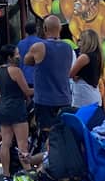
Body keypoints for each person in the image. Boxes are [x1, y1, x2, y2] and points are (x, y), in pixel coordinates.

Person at [24, 15, 74, 148]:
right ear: (61, 28)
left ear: (44, 28)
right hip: (64, 98)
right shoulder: (68, 48)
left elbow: (26, 61)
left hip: (45, 100)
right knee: (63, 132)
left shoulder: (39, 46)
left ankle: (48, 161)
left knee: (48, 134)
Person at [0, 45, 33, 179]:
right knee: (22, 144)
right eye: (17, 54)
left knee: (6, 143)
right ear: (10, 57)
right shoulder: (16, 71)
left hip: (3, 108)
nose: (19, 56)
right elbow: (26, 91)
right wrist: (41, 89)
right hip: (16, 108)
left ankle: (6, 174)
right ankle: (28, 172)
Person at [70, 28, 104, 109]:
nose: (79, 43)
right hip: (93, 94)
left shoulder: (84, 57)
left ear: (86, 42)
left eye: (80, 40)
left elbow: (70, 74)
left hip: (84, 96)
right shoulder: (98, 56)